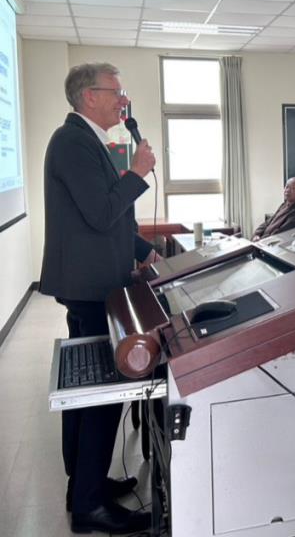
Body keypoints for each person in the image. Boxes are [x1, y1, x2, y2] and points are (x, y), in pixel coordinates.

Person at [39, 62, 154, 534]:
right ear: (89, 96)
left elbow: (114, 218)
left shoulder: (88, 141)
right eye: (116, 92)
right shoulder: (72, 142)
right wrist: (138, 172)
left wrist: (143, 251)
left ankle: (84, 486)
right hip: (91, 287)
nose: (123, 101)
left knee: (86, 396)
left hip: (98, 282)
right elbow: (102, 212)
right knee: (102, 397)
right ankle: (89, 505)